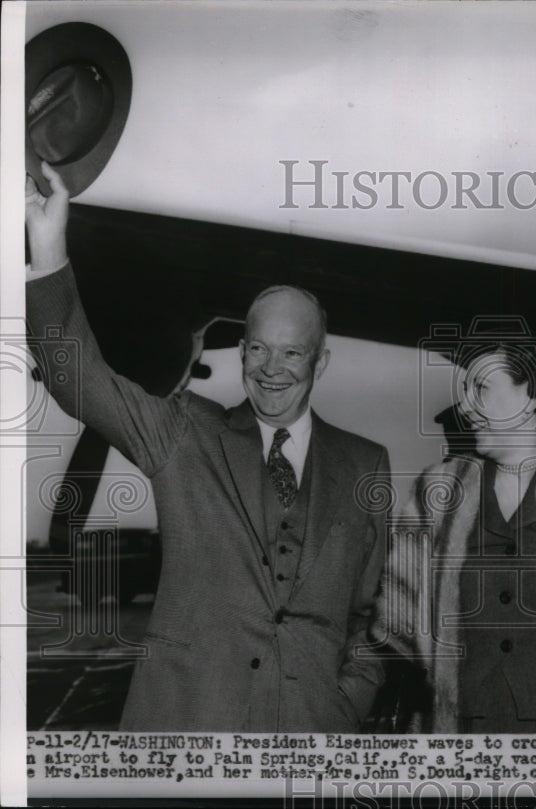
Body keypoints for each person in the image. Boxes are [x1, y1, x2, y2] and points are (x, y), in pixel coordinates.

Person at [25, 163, 390, 732]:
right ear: (241, 353)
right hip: (187, 727)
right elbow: (78, 379)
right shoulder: (184, 431)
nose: (271, 369)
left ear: (320, 362)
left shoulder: (366, 463)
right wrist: (48, 246)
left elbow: (371, 614)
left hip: (311, 734)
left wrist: (345, 704)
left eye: (292, 353)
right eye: (259, 350)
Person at [373, 339, 536, 732]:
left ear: (532, 395)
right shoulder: (438, 494)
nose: (464, 406)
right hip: (463, 735)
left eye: (481, 388)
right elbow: (395, 621)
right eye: (465, 392)